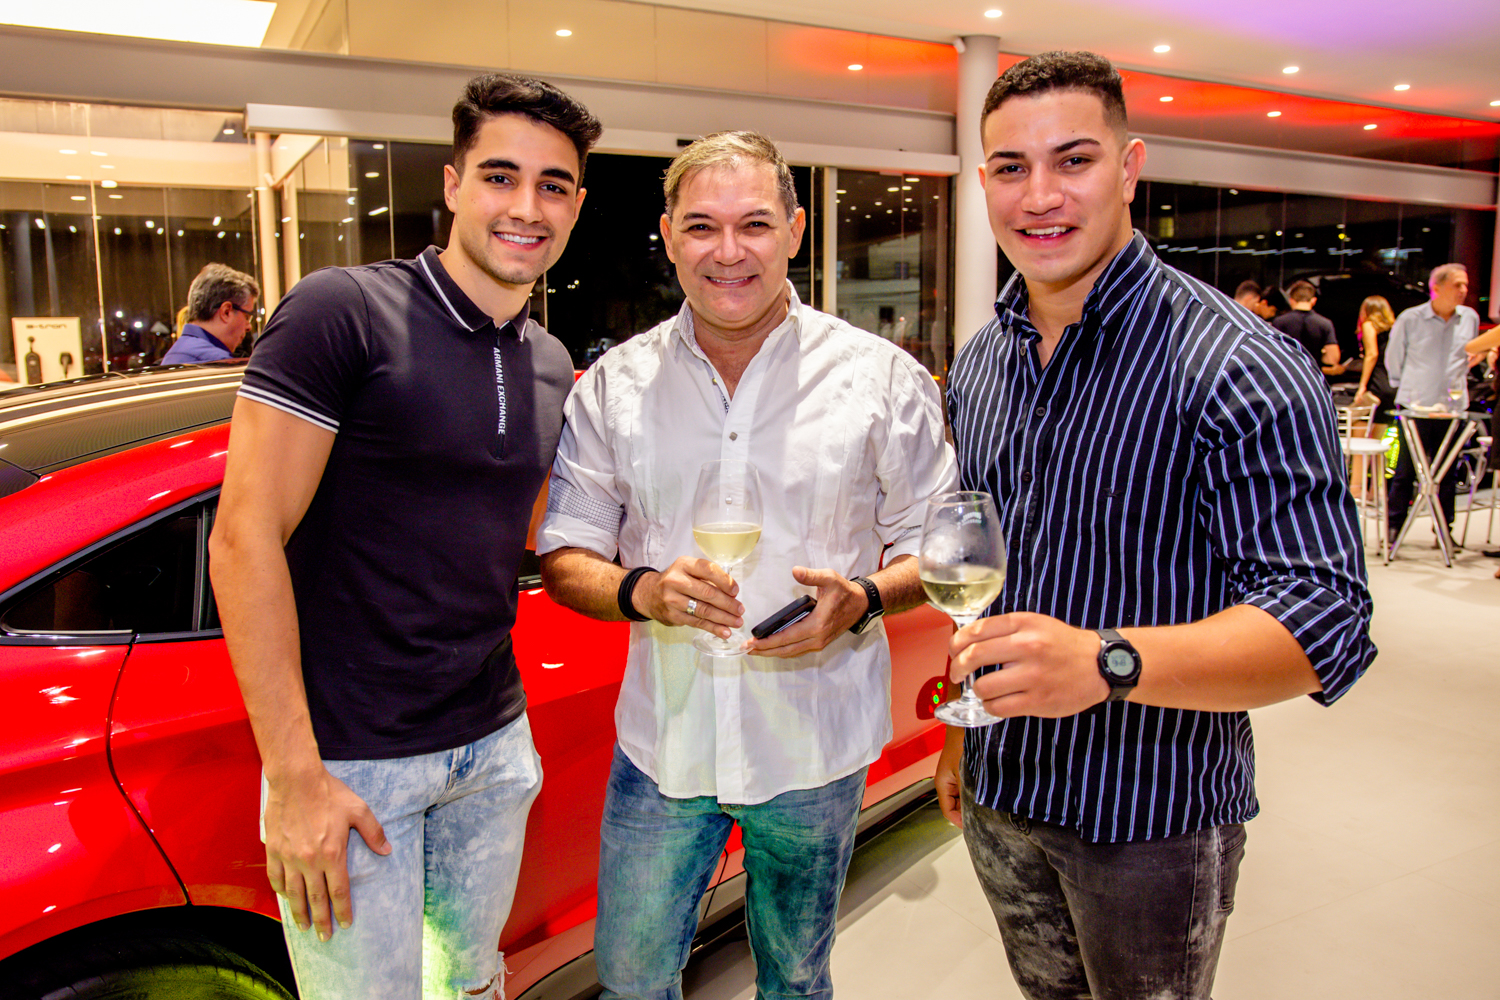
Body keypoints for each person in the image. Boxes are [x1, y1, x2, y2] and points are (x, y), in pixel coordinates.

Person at [938, 51, 1375, 1000]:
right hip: (1003, 790)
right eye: (1011, 168)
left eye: (1074, 160)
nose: (1039, 196)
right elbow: (993, 572)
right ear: (984, 183)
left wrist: (1107, 662)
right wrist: (963, 735)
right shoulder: (981, 363)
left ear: (1131, 168)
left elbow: (1324, 621)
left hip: (1150, 818)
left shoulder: (1237, 362)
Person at [536, 130, 957, 1000]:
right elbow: (566, 554)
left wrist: (866, 596)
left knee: (795, 982)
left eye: (755, 224)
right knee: (630, 980)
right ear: (668, 236)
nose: (728, 252)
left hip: (811, 748)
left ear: (795, 231)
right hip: (664, 747)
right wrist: (642, 590)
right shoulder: (614, 386)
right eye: (701, 227)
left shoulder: (879, 379)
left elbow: (943, 548)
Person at [207, 73, 600, 1000]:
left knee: (471, 987)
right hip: (351, 763)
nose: (526, 206)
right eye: (500, 177)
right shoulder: (342, 311)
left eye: (552, 186)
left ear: (576, 207)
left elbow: (519, 535)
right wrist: (294, 778)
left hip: (492, 746)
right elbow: (243, 536)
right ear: (454, 185)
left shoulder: (548, 360)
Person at [1384, 263, 1481, 547]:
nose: (1463, 290)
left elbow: (1471, 353)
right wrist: (1407, 387)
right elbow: (1394, 358)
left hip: (1452, 407)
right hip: (1415, 405)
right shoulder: (1411, 318)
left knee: (1448, 472)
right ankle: (1394, 526)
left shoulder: (1469, 318)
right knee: (1405, 470)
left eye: (1465, 285)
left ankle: (1443, 530)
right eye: (1457, 284)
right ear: (1436, 288)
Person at [160, 263, 259, 363]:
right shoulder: (216, 362)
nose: (249, 327)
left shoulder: (176, 352)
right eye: (247, 317)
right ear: (226, 312)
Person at [1352, 294, 1397, 440]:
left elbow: (1372, 354)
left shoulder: (1369, 325)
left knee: (1356, 422)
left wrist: (1362, 386)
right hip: (1391, 384)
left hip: (1377, 382)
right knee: (1377, 435)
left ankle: (1357, 457)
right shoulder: (1394, 328)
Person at [1273, 278, 1341, 374]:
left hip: (1287, 374)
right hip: (1312, 375)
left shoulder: (1279, 322)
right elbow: (1332, 359)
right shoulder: (1324, 323)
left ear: (1291, 300)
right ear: (1313, 301)